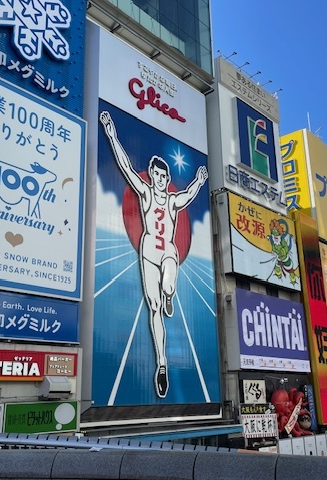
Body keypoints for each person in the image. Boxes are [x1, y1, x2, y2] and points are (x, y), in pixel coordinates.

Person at [100, 111, 208, 398]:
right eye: (155, 175)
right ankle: (162, 364)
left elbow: (189, 195)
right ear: (152, 175)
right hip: (148, 252)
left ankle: (170, 293)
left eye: (163, 176)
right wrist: (111, 134)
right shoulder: (146, 194)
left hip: (168, 251)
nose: (159, 179)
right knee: (154, 308)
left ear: (167, 178)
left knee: (168, 286)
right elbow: (125, 167)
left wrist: (199, 180)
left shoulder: (172, 201)